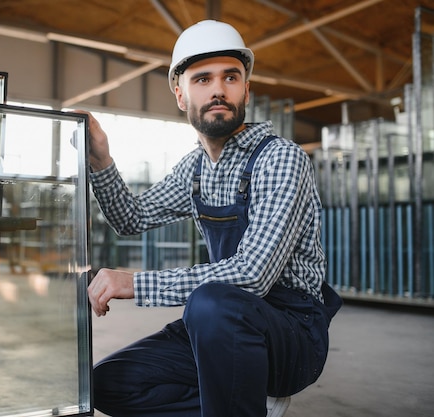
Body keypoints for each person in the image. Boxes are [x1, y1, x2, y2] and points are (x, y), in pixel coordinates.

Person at [82, 20, 342, 417]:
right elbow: (130, 218)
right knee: (109, 384)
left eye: (230, 77)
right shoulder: (196, 170)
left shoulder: (280, 159)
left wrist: (137, 283)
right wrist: (101, 160)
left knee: (211, 302)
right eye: (202, 79)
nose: (218, 89)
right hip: (219, 326)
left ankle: (248, 400)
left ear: (245, 90)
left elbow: (253, 274)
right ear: (181, 95)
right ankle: (247, 405)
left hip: (290, 331)